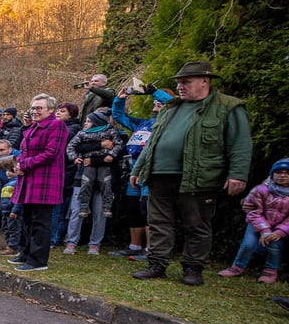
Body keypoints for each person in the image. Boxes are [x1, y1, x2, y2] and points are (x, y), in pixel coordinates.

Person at [131, 61, 253, 286]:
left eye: (186, 82)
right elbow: (153, 141)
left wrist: (238, 174)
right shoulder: (170, 108)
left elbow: (241, 144)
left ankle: (193, 268)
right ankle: (157, 264)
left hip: (199, 177)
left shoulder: (228, 107)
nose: (180, 87)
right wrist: (139, 168)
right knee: (159, 223)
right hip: (160, 175)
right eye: (178, 83)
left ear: (204, 81)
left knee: (196, 224)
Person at [110, 84, 174, 259]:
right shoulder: (144, 123)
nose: (157, 103)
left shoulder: (170, 123)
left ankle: (151, 250)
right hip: (133, 171)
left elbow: (175, 104)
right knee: (133, 209)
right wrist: (120, 99)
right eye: (155, 101)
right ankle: (134, 246)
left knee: (148, 211)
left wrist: (156, 92)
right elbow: (119, 116)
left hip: (152, 172)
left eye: (160, 102)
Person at [8, 94, 69, 272]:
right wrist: (15, 165)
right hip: (28, 179)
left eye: (39, 108)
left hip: (45, 180)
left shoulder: (57, 125)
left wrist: (24, 165)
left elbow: (51, 153)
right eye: (33, 108)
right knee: (27, 219)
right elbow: (24, 152)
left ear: (50, 110)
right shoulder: (33, 127)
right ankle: (26, 253)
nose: (34, 111)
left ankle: (38, 260)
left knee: (40, 222)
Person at [62, 110, 124, 255]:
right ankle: (71, 242)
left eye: (89, 121)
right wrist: (77, 157)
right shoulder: (82, 134)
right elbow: (73, 147)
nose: (85, 123)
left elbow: (118, 149)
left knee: (99, 211)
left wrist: (107, 155)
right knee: (77, 210)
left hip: (104, 177)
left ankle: (95, 243)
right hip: (82, 176)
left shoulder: (112, 133)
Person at [217, 159, 288, 284]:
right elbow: (252, 210)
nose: (282, 175)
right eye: (279, 172)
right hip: (257, 223)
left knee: (275, 246)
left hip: (279, 227)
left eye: (286, 173)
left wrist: (280, 231)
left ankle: (270, 271)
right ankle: (237, 267)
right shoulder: (261, 190)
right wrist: (264, 230)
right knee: (248, 244)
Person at [50, 102, 81, 248]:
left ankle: (55, 238)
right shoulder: (61, 127)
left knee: (60, 208)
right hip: (61, 172)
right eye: (58, 110)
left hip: (67, 172)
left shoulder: (72, 129)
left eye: (62, 111)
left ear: (71, 114)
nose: (58, 113)